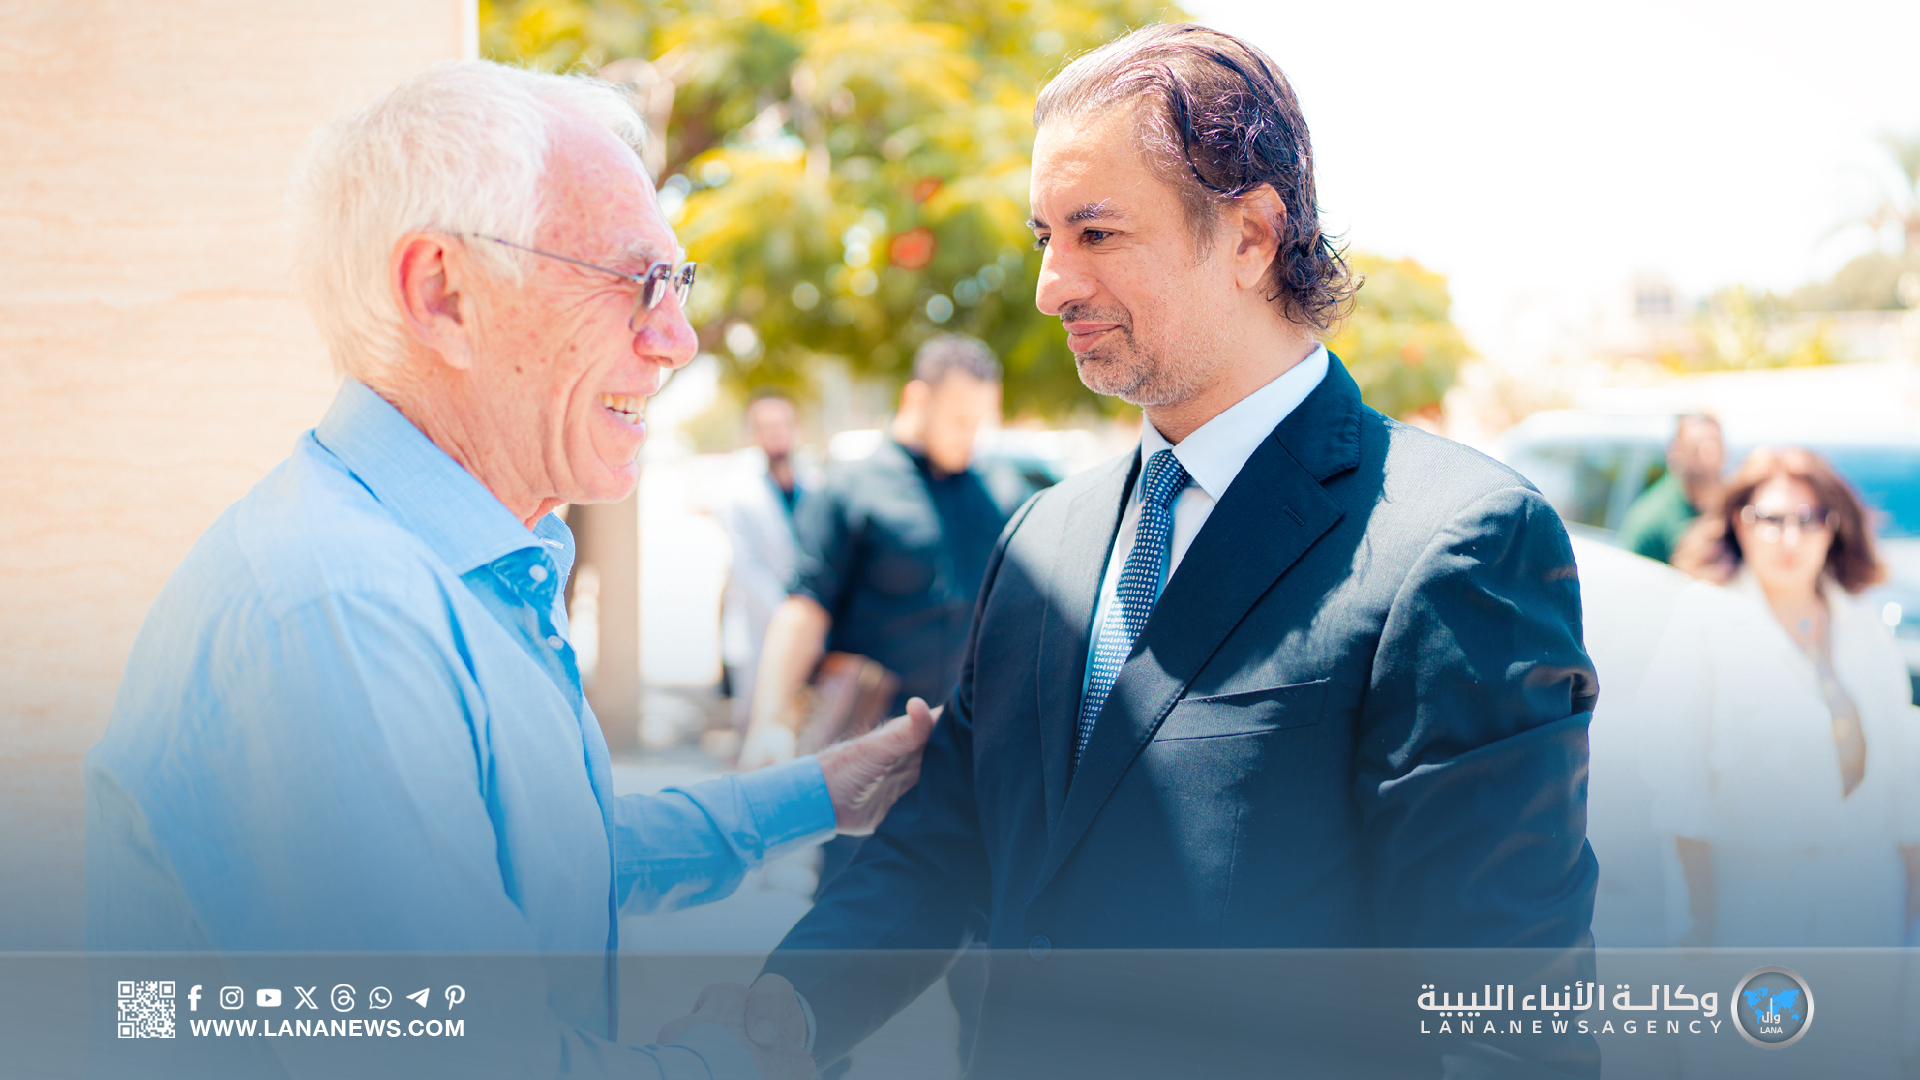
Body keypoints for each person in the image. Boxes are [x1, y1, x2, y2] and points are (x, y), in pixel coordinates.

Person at [680, 23, 1600, 1075]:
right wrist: (783, 1014)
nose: (1051, 285)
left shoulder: (1455, 544)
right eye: (1046, 236)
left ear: (1251, 235)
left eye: (1096, 233)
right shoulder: (1044, 536)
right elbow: (947, 841)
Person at [83, 61, 934, 1080]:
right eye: (636, 281)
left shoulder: (439, 568)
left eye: (679, 284)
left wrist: (823, 793)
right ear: (444, 295)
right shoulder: (343, 610)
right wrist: (739, 1057)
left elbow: (544, 855)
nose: (676, 339)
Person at [1644, 447, 1920, 947]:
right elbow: (1677, 783)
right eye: (1770, 519)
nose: (1790, 538)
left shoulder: (1862, 620)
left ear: (1833, 527)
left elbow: (1903, 769)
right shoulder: (1704, 618)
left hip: (1866, 901)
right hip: (1754, 909)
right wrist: (1695, 924)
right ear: (1739, 523)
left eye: (1808, 519)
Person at [738, 334, 1008, 774]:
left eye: (981, 422)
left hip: (963, 758)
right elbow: (804, 610)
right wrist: (768, 722)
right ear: (917, 399)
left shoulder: (995, 493)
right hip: (865, 756)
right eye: (961, 420)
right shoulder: (850, 488)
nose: (972, 437)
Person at [717, 392, 814, 740]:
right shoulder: (739, 492)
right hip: (762, 624)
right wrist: (790, 617)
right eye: (766, 427)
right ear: (752, 434)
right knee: (759, 724)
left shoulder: (815, 483)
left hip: (811, 622)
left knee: (805, 726)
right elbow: (745, 567)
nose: (776, 434)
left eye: (782, 425)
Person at [1617, 412, 1725, 565]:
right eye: (1697, 448)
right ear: (1674, 451)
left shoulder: (1735, 507)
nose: (1708, 456)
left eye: (1715, 446)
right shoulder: (1651, 521)